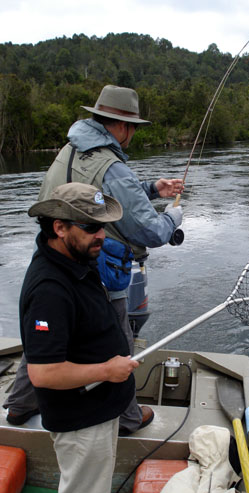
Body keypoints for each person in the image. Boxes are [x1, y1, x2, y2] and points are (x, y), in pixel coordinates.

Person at [4, 84, 184, 435]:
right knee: (116, 339)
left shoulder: (70, 149)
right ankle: (129, 418)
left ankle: (18, 407)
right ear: (123, 126)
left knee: (44, 338)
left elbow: (91, 193)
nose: (132, 135)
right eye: (133, 128)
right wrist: (174, 219)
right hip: (95, 268)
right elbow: (149, 232)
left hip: (56, 256)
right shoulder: (110, 164)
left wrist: (151, 188)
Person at [19, 182, 140, 493]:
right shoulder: (49, 290)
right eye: (90, 226)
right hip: (82, 420)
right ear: (59, 227)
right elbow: (43, 373)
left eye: (102, 225)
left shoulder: (76, 256)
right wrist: (107, 369)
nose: (100, 235)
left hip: (101, 408)